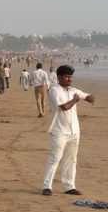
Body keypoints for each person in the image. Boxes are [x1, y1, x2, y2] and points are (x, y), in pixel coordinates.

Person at [41, 65, 95, 196]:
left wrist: (89, 97)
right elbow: (65, 106)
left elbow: (89, 97)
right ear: (59, 77)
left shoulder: (73, 90)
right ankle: (47, 186)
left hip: (74, 130)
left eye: (71, 77)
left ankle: (69, 186)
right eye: (67, 76)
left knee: (71, 159)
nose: (69, 79)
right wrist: (76, 99)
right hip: (59, 130)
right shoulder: (54, 90)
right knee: (55, 158)